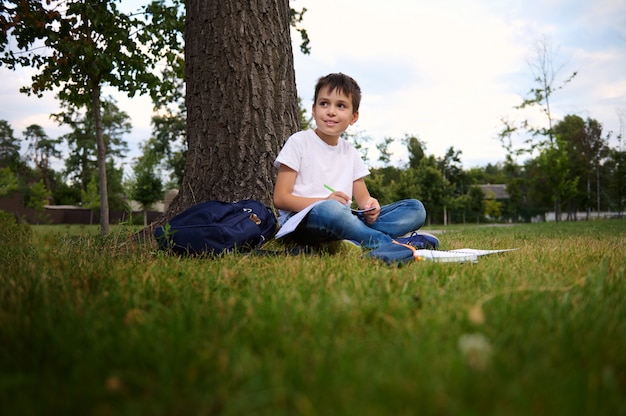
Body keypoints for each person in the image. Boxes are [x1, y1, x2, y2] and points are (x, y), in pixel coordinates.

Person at [273, 73, 438, 250]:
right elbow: (280, 198)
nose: (331, 111)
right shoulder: (299, 142)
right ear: (314, 109)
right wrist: (324, 201)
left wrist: (371, 206)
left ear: (354, 117)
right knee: (332, 211)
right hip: (303, 221)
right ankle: (389, 243)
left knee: (415, 208)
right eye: (324, 104)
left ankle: (351, 239)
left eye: (341, 106)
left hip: (346, 218)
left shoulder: (349, 151)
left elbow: (363, 199)